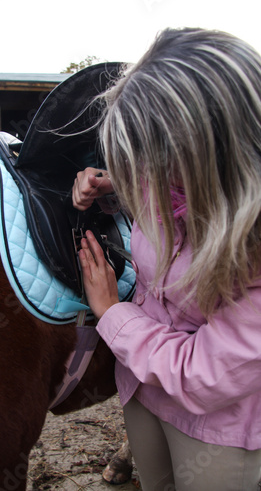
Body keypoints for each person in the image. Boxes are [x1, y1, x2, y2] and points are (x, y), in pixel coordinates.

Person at [72, 28, 261, 491]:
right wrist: (113, 188)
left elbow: (204, 374)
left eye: (151, 160)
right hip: (143, 388)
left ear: (204, 156)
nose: (145, 177)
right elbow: (168, 204)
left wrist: (112, 314)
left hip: (217, 425)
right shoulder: (184, 185)